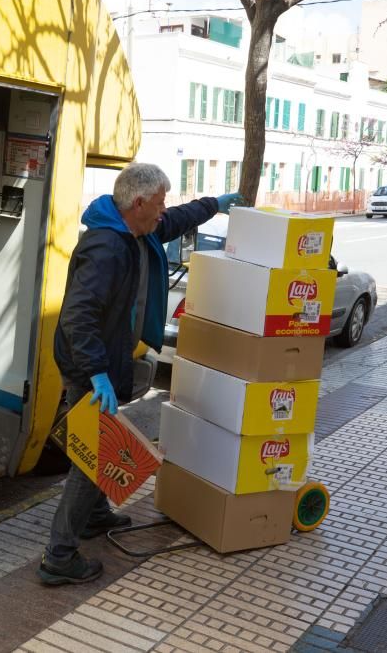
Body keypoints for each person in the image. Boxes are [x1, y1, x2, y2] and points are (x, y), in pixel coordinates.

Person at [36, 162, 242, 585]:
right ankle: (59, 556)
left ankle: (93, 516)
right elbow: (79, 316)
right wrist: (95, 374)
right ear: (140, 202)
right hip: (87, 365)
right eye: (160, 203)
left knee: (97, 446)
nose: (164, 211)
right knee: (91, 460)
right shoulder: (107, 248)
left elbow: (176, 219)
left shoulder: (134, 232)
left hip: (104, 360)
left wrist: (213, 205)